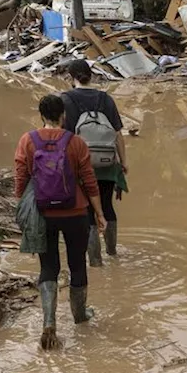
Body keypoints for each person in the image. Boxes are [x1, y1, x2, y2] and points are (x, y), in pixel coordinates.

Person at [15, 94, 105, 349]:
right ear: (63, 115)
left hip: (43, 213)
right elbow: (89, 181)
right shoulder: (75, 142)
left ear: (41, 115)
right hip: (75, 212)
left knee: (48, 267)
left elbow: (20, 175)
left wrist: (23, 206)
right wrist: (98, 213)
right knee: (77, 264)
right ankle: (80, 316)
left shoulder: (27, 140)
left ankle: (49, 322)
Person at [59, 60, 127, 267]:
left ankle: (96, 262)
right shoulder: (106, 99)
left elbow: (63, 137)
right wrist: (123, 163)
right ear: (91, 75)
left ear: (72, 78)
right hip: (107, 163)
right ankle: (113, 253)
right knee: (107, 205)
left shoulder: (65, 100)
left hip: (80, 164)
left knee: (86, 212)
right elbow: (118, 135)